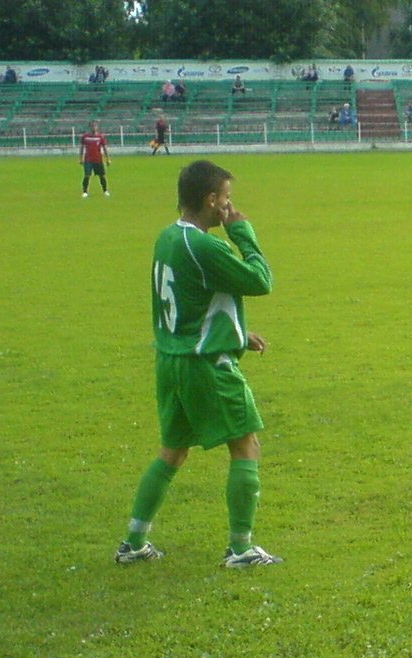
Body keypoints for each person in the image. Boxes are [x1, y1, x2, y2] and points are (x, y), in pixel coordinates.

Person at [114, 160, 281, 567]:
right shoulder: (205, 246)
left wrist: (237, 333)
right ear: (210, 200)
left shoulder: (168, 237)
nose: (230, 206)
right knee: (246, 445)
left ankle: (133, 543)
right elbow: (261, 281)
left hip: (171, 360)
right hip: (205, 365)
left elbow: (190, 298)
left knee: (172, 453)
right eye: (227, 198)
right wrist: (242, 232)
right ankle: (240, 549)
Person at [80, 123, 111, 197]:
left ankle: (105, 191)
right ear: (90, 127)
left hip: (98, 159)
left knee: (102, 175)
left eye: (95, 126)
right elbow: (82, 148)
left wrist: (108, 159)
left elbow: (105, 148)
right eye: (92, 126)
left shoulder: (100, 137)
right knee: (87, 175)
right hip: (88, 159)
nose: (94, 128)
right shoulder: (85, 137)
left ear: (97, 127)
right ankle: (85, 192)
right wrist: (80, 158)